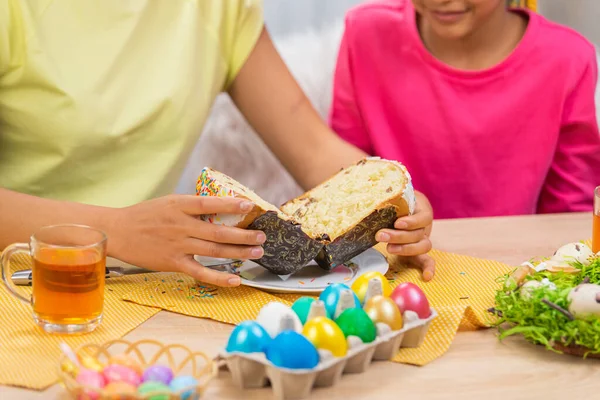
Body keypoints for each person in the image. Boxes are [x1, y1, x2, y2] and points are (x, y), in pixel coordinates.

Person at [0, 0, 435, 287]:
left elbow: (312, 149)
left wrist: (394, 196)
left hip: (138, 284)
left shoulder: (216, 7)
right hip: (18, 281)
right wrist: (116, 232)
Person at [329, 0, 600, 220]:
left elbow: (571, 217)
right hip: (392, 264)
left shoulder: (568, 60)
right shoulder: (365, 33)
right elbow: (343, 184)